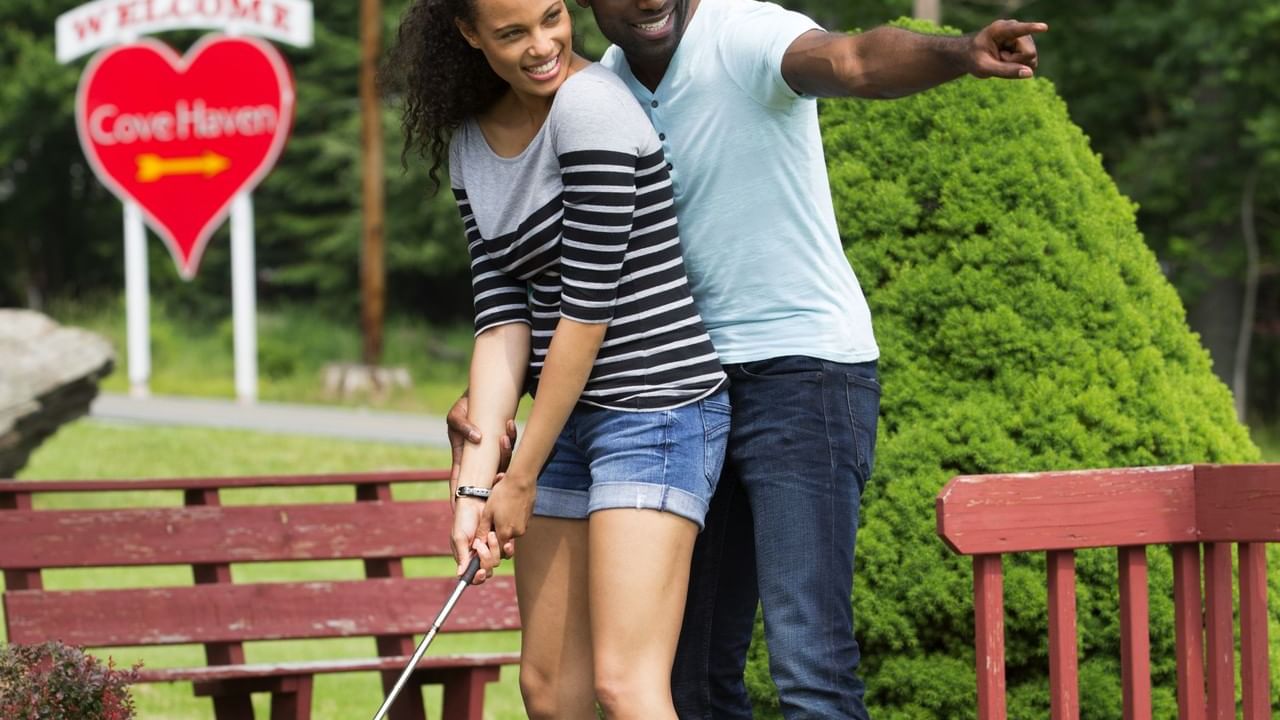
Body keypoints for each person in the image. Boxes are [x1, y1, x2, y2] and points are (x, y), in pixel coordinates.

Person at [447, 1, 1046, 717]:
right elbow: (535, 278)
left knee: (808, 663)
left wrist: (958, 52)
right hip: (683, 377)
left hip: (799, 369)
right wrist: (490, 410)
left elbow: (854, 60)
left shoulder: (744, 34)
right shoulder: (598, 79)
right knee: (688, 678)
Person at [387, 0, 731, 717]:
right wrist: (474, 491)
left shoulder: (591, 108)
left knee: (625, 684)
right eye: (513, 33)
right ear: (469, 34)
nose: (543, 46)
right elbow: (501, 317)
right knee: (550, 692)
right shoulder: (470, 146)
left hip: (656, 412)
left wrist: (521, 477)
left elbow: (586, 309)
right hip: (565, 422)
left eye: (552, 17)